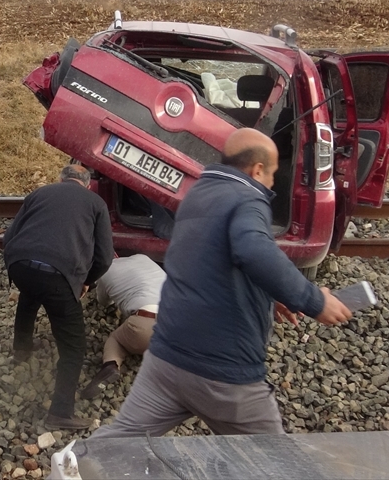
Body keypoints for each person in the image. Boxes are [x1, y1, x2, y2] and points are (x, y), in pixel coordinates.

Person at [92, 128, 352, 438]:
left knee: (119, 441)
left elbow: (206, 265)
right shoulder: (247, 199)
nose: (271, 183)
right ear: (257, 170)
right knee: (274, 461)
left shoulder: (196, 197)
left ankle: (72, 467)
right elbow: (254, 250)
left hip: (166, 360)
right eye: (272, 175)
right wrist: (315, 301)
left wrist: (265, 294)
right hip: (222, 373)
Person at [3, 164, 113, 430]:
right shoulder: (96, 203)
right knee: (74, 347)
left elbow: (9, 236)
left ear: (61, 179)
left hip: (18, 264)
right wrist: (85, 281)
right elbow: (105, 257)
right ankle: (61, 413)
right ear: (86, 184)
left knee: (30, 291)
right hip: (58, 274)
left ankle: (22, 349)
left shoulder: (39, 193)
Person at [80, 253, 166, 399]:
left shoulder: (105, 271)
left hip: (145, 324)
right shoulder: (143, 257)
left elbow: (103, 302)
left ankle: (111, 366)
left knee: (116, 340)